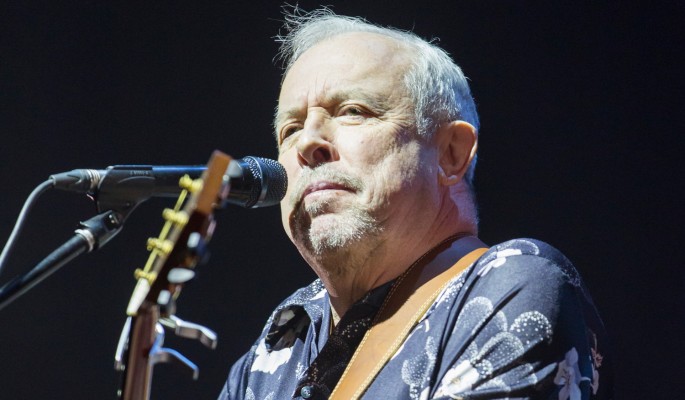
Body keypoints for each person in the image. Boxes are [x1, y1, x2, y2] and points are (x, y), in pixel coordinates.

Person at [219, 9, 612, 400]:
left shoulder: (511, 284)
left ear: (451, 153)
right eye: (290, 130)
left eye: (353, 111)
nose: (307, 143)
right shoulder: (280, 341)